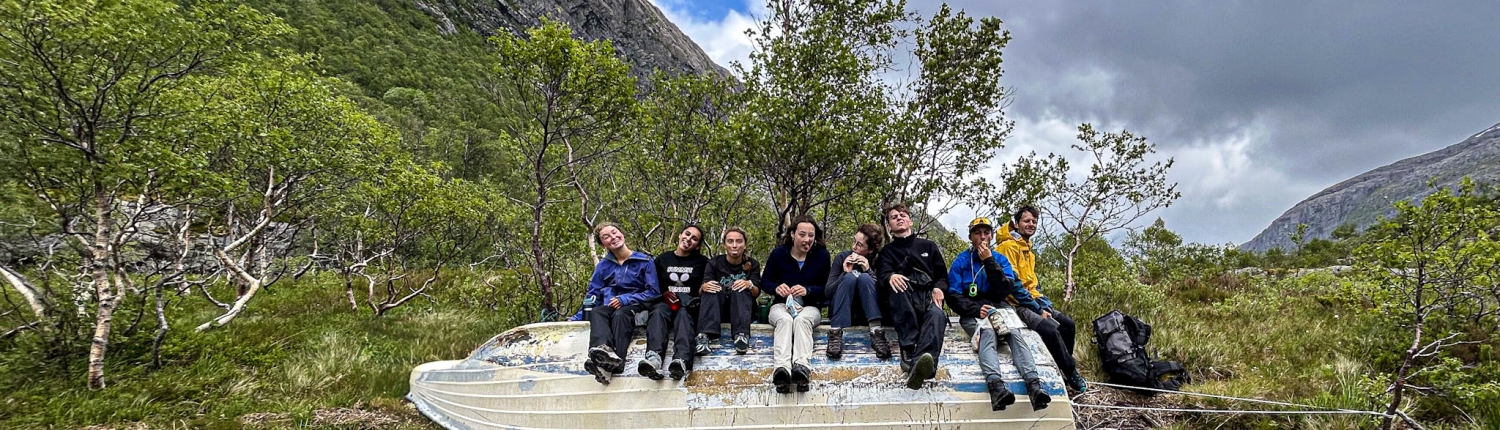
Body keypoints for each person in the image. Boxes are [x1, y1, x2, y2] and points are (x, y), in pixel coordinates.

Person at [946, 217, 1051, 411]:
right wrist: (975, 309)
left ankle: (1034, 386)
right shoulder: (961, 261)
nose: (983, 237)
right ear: (971, 237)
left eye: (986, 233)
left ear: (992, 235)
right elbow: (952, 296)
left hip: (999, 306)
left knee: (1015, 335)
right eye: (978, 233)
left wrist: (989, 261)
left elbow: (1004, 289)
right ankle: (996, 387)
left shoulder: (1000, 259)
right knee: (987, 333)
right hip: (973, 311)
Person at [996, 205, 1088, 393]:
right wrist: (1038, 309)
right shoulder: (1007, 247)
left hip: (1033, 299)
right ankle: (1071, 372)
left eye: (1034, 222)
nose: (1031, 225)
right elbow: (1013, 286)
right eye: (1026, 221)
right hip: (1016, 304)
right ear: (1016, 223)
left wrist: (1043, 303)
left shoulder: (1028, 250)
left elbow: (1032, 284)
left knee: (1068, 325)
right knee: (1050, 328)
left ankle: (1061, 368)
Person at [876, 203, 949, 390]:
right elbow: (882, 275)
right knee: (897, 282)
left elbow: (942, 276)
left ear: (910, 221)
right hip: (902, 300)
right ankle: (908, 348)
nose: (899, 218)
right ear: (889, 226)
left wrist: (939, 288)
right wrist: (891, 276)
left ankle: (921, 365)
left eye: (902, 215)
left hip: (927, 296)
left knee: (938, 315)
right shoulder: (886, 252)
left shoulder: (928, 246)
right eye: (894, 217)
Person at [582, 222, 661, 385]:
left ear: (622, 234)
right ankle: (603, 351)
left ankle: (618, 362)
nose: (613, 237)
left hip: (637, 307)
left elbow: (653, 292)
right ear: (603, 244)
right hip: (610, 306)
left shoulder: (644, 261)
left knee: (620, 315)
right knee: (597, 312)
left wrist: (625, 300)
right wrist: (577, 317)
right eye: (606, 237)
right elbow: (593, 294)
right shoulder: (603, 266)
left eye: (614, 232)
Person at [762, 215, 831, 393]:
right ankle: (782, 370)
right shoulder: (779, 254)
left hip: (809, 306)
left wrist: (808, 290)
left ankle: (801, 368)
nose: (807, 239)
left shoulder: (822, 256)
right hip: (782, 305)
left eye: (811, 235)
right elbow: (765, 282)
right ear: (793, 234)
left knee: (802, 320)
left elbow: (827, 288)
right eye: (802, 234)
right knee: (785, 320)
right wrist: (777, 288)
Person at [640, 225, 709, 381]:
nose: (689, 239)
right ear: (679, 235)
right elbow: (653, 287)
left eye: (694, 238)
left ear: (697, 245)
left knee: (684, 315)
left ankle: (681, 360)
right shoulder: (663, 259)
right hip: (665, 303)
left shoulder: (703, 262)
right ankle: (654, 357)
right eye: (687, 234)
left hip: (690, 304)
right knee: (657, 312)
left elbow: (706, 286)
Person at [825, 223, 892, 360]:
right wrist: (844, 273)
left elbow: (885, 295)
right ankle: (835, 334)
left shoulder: (880, 261)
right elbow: (828, 292)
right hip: (843, 312)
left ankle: (877, 333)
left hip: (868, 314)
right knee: (849, 277)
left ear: (871, 250)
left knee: (865, 278)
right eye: (854, 241)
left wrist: (869, 271)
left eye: (860, 245)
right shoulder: (842, 257)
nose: (854, 247)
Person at [698, 227, 761, 356]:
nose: (734, 245)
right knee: (711, 288)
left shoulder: (752, 264)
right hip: (718, 310)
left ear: (744, 244)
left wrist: (748, 284)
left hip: (742, 311)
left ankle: (741, 336)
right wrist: (704, 287)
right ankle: (704, 336)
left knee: (740, 287)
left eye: (739, 241)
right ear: (725, 244)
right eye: (730, 241)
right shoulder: (714, 263)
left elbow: (756, 292)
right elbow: (702, 290)